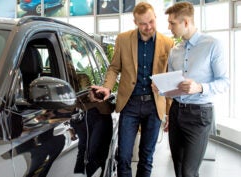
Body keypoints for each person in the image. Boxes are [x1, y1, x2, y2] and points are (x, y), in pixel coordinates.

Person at [90, 2, 174, 177]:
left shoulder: (168, 43)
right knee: (124, 156)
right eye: (143, 23)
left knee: (146, 157)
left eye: (151, 21)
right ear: (135, 22)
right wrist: (107, 87)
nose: (148, 27)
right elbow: (114, 68)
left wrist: (169, 111)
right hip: (130, 104)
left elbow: (170, 77)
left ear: (155, 18)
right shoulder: (123, 39)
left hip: (154, 105)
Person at [163, 2, 230, 177]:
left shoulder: (213, 45)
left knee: (189, 171)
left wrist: (199, 87)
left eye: (172, 23)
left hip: (199, 114)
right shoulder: (174, 51)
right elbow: (172, 86)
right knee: (177, 167)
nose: (169, 27)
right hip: (176, 111)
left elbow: (225, 82)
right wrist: (161, 88)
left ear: (185, 22)